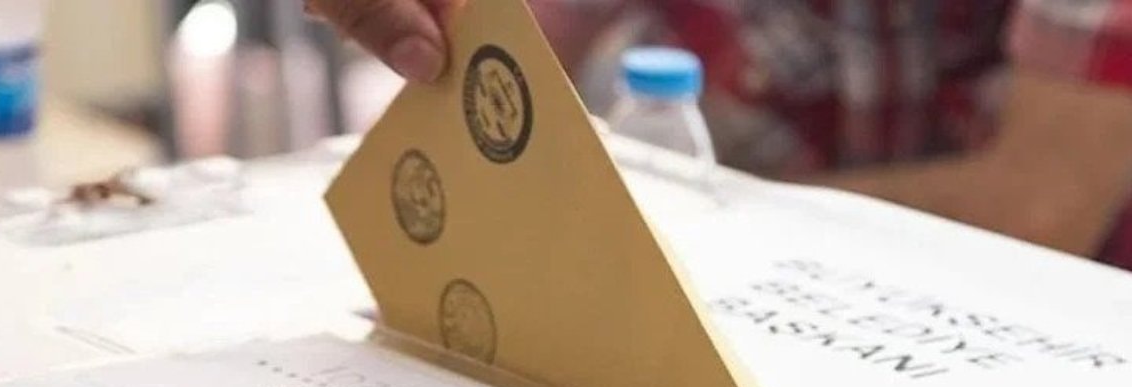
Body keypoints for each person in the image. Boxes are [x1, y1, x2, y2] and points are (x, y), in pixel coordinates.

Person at [304, 0, 1132, 271]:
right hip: (665, 236)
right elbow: (530, 29)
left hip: (990, 339)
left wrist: (660, 224)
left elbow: (1037, 210)